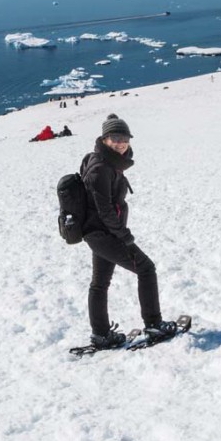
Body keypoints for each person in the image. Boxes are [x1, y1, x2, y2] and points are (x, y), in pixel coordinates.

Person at [79, 114, 177, 349]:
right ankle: (153, 324)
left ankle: (101, 334)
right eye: (115, 137)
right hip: (104, 234)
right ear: (104, 139)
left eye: (124, 138)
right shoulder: (101, 167)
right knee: (146, 268)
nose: (121, 142)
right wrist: (125, 238)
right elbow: (105, 211)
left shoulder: (108, 162)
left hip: (99, 234)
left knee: (99, 283)